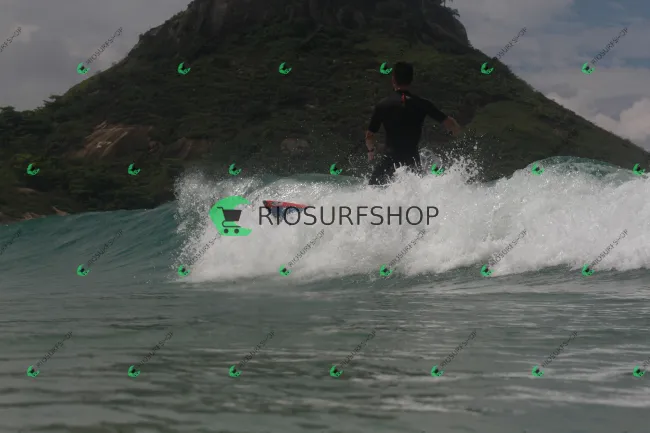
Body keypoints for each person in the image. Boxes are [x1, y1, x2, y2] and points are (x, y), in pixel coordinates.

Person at [365, 62, 461, 185]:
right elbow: (450, 124)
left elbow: (369, 136)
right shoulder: (423, 104)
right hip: (412, 161)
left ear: (393, 79)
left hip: (389, 160)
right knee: (415, 192)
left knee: (373, 189)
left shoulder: (383, 105)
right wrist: (456, 132)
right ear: (411, 80)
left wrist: (371, 150)